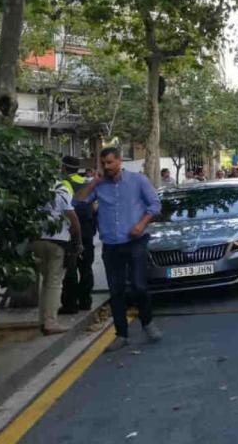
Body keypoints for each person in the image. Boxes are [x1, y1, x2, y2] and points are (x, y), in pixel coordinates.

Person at [74, 147, 162, 353]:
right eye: (103, 163)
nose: (106, 167)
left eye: (110, 163)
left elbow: (155, 205)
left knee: (139, 286)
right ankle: (121, 334)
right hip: (111, 245)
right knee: (116, 290)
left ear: (119, 162)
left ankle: (147, 322)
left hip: (136, 241)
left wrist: (142, 223)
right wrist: (94, 182)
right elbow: (77, 202)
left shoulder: (137, 181)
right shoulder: (99, 185)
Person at [30, 173, 83, 334]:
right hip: (58, 242)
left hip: (37, 240)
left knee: (46, 282)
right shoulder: (61, 188)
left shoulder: (34, 188)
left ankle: (43, 320)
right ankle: (50, 323)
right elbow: (73, 218)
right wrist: (78, 242)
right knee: (54, 283)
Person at [60, 156, 96, 314]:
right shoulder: (87, 182)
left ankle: (70, 304)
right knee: (86, 266)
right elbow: (94, 208)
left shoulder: (64, 184)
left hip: (71, 230)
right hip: (88, 229)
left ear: (63, 168)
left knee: (71, 267)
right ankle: (86, 301)